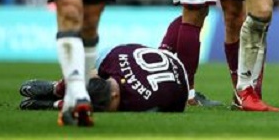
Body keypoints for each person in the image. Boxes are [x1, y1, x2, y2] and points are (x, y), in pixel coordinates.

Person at [19, 34, 189, 113]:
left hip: (175, 74)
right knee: (96, 62)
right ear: (114, 95)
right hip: (132, 55)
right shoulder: (111, 60)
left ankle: (59, 96)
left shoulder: (139, 104)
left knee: (94, 67)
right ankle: (58, 88)